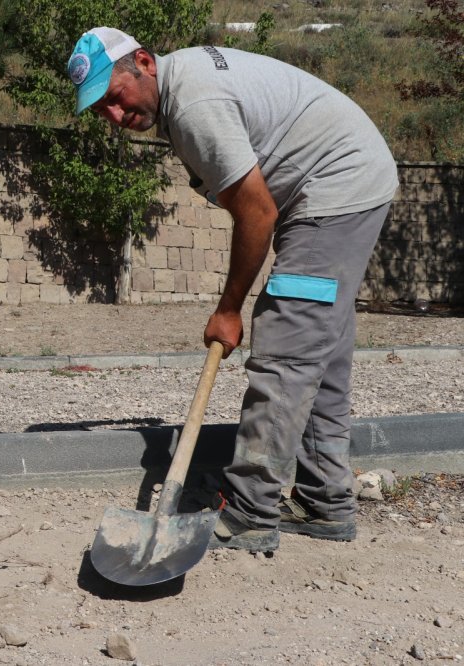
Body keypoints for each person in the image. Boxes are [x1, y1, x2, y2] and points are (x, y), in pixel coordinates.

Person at [67, 27, 398, 551]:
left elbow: (257, 211)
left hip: (336, 184)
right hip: (346, 181)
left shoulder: (196, 103)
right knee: (320, 350)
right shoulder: (184, 88)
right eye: (100, 109)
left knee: (288, 344)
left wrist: (229, 309)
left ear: (145, 64)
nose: (113, 116)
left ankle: (249, 511)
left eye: (115, 96)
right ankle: (325, 501)